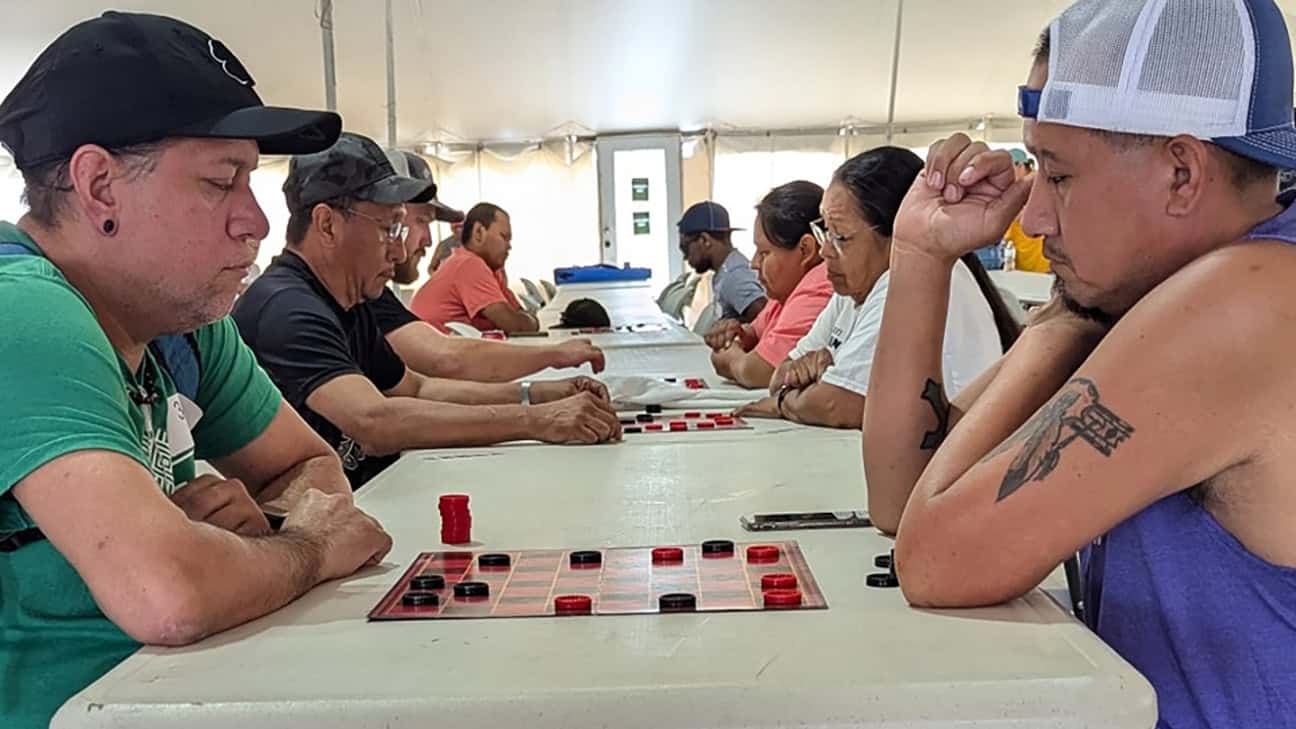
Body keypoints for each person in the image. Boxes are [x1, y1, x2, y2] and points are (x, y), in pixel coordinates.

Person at [865, 3, 1296, 727]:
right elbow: (901, 498)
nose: (1031, 218)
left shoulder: (1247, 301)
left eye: (1058, 176)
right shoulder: (1163, 289)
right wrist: (920, 254)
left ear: (1182, 173)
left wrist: (1063, 318)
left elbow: (937, 559)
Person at [0, 13, 392, 729]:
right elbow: (170, 594)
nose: (258, 221)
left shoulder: (184, 321)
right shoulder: (21, 314)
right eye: (222, 180)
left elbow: (313, 468)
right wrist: (302, 546)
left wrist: (257, 531)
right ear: (100, 186)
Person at [233, 132, 621, 489]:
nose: (400, 251)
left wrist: (538, 395)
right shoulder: (286, 310)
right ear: (327, 225)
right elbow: (375, 422)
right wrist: (538, 421)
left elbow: (419, 388)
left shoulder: (348, 302)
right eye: (389, 229)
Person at [735, 147, 1017, 429]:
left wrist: (786, 401)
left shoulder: (909, 282)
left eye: (841, 237)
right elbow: (779, 376)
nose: (825, 251)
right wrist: (802, 381)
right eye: (826, 232)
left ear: (897, 235)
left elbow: (838, 404)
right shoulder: (852, 289)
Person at [367, 151, 606, 382]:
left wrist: (541, 395)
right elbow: (448, 360)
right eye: (418, 221)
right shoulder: (467, 265)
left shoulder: (371, 299)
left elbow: (423, 390)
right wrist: (553, 357)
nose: (429, 240)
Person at [707, 181, 833, 388]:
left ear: (805, 249)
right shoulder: (786, 291)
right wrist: (737, 334)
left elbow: (757, 372)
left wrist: (730, 357)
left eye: (764, 253)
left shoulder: (819, 285)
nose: (754, 264)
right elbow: (753, 333)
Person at [409, 202, 539, 333]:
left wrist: (526, 320)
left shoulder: (492, 269)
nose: (509, 246)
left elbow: (517, 312)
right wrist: (532, 321)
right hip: (432, 351)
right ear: (478, 232)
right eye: (504, 237)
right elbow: (517, 326)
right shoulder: (468, 264)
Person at [678, 201, 768, 322]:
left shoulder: (733, 276)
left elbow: (765, 317)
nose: (685, 257)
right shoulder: (728, 269)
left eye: (685, 248)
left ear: (704, 240)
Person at [1002, 149, 1051, 272]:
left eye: (1010, 168)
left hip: (1042, 260)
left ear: (1021, 165)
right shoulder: (1013, 189)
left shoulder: (1039, 183)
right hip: (1023, 260)